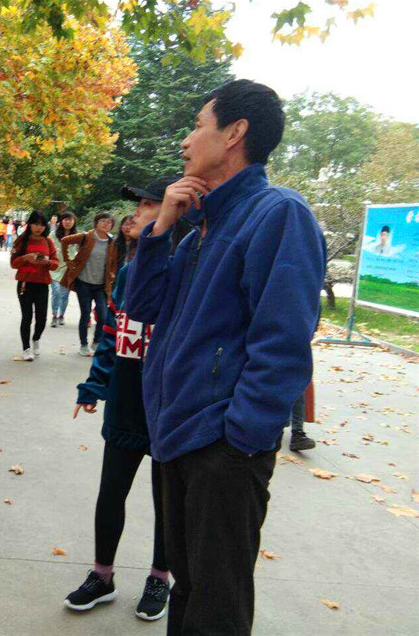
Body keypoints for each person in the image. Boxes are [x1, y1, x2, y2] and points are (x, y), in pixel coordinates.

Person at [125, 79, 326, 635]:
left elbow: (283, 340)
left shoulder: (278, 214)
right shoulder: (197, 227)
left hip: (221, 446)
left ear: (235, 132)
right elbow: (141, 307)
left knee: (217, 607)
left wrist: (242, 437)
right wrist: (161, 229)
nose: (186, 140)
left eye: (198, 125)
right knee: (187, 588)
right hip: (176, 433)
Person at [65, 178, 184, 622]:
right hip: (127, 399)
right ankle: (103, 575)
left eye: (150, 205)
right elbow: (113, 334)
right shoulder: (131, 271)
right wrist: (95, 386)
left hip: (169, 405)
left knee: (166, 500)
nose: (135, 213)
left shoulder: (187, 269)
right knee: (111, 491)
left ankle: (159, 577)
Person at [60, 212, 117, 357]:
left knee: (103, 315)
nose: (106, 224)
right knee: (85, 314)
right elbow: (65, 241)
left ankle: (96, 342)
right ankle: (84, 345)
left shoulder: (112, 242)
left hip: (101, 285)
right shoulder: (86, 236)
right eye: (103, 221)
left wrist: (112, 273)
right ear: (96, 223)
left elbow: (114, 262)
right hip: (83, 282)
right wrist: (68, 260)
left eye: (109, 222)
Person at [10, 211, 58, 361]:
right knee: (27, 317)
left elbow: (55, 264)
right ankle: (26, 348)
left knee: (42, 319)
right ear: (30, 224)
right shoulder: (21, 240)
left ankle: (36, 338)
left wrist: (47, 262)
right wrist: (26, 258)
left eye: (42, 225)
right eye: (36, 224)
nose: (39, 228)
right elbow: (13, 263)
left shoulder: (48, 242)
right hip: (25, 284)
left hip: (42, 284)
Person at [49, 212, 77, 328]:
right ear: (61, 221)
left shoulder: (77, 237)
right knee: (56, 292)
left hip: (68, 270)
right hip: (55, 269)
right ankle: (54, 315)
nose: (68, 222)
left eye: (70, 220)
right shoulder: (53, 235)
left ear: (74, 222)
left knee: (65, 295)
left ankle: (61, 315)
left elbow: (81, 251)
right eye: (65, 219)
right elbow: (47, 249)